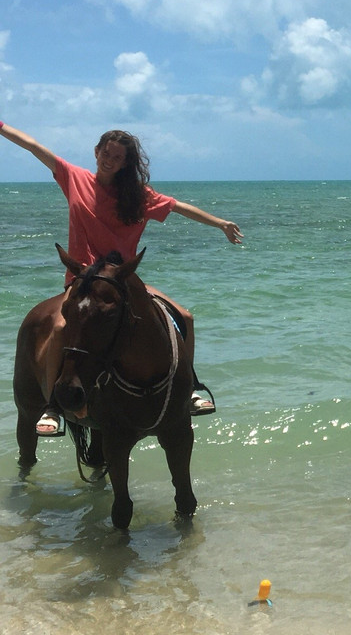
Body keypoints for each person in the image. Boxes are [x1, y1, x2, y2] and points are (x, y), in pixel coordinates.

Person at [1, 120, 244, 435]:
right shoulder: (74, 177)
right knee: (61, 325)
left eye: (117, 157)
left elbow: (180, 208)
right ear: (97, 151)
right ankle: (52, 407)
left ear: (125, 163)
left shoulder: (138, 196)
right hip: (83, 279)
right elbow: (34, 146)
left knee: (185, 316)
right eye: (106, 153)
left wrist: (221, 223)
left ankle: (189, 389)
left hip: (122, 281)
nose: (110, 160)